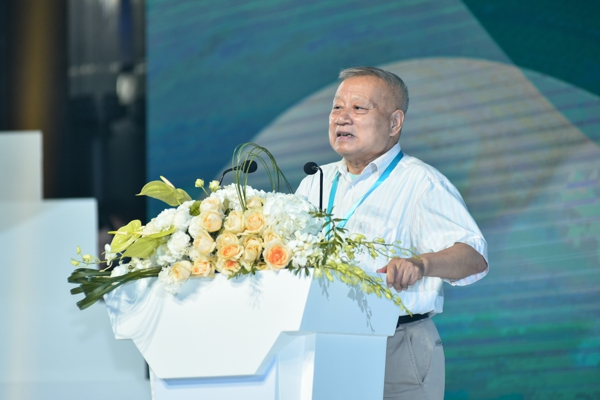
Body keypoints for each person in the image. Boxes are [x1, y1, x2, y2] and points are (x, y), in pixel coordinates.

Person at [296, 67, 488, 400]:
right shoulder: (314, 181)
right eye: (337, 107)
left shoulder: (421, 183)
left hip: (396, 345)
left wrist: (421, 264)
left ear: (395, 122)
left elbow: (474, 257)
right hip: (321, 345)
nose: (342, 118)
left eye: (358, 108)